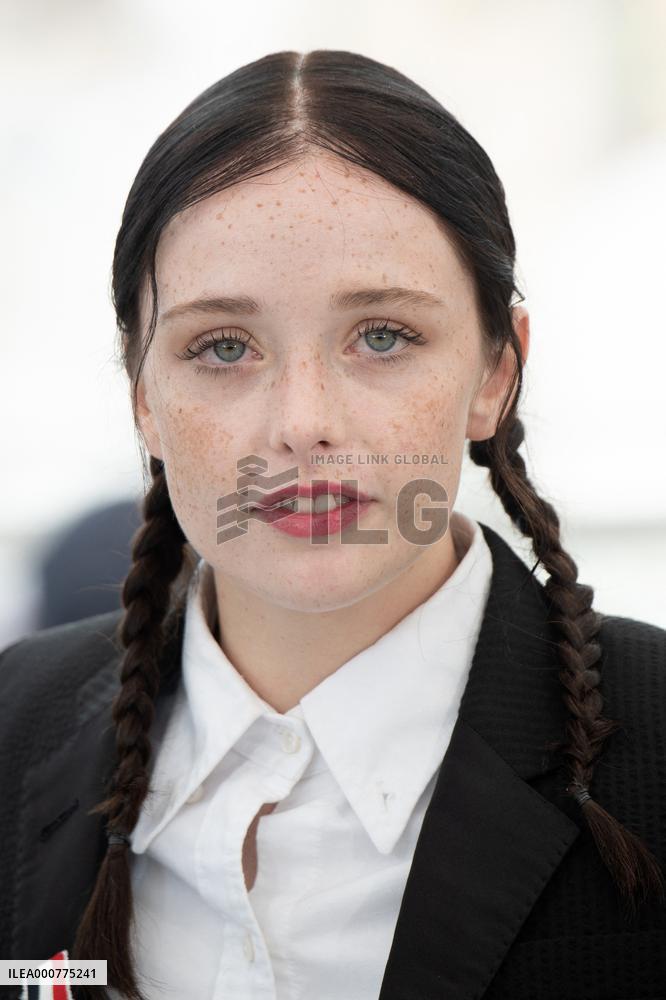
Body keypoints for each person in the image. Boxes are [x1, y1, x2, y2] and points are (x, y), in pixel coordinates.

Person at [1, 49, 665, 1000]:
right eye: (222, 346)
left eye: (383, 336)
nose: (302, 421)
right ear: (142, 391)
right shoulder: (10, 729)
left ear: (494, 372)